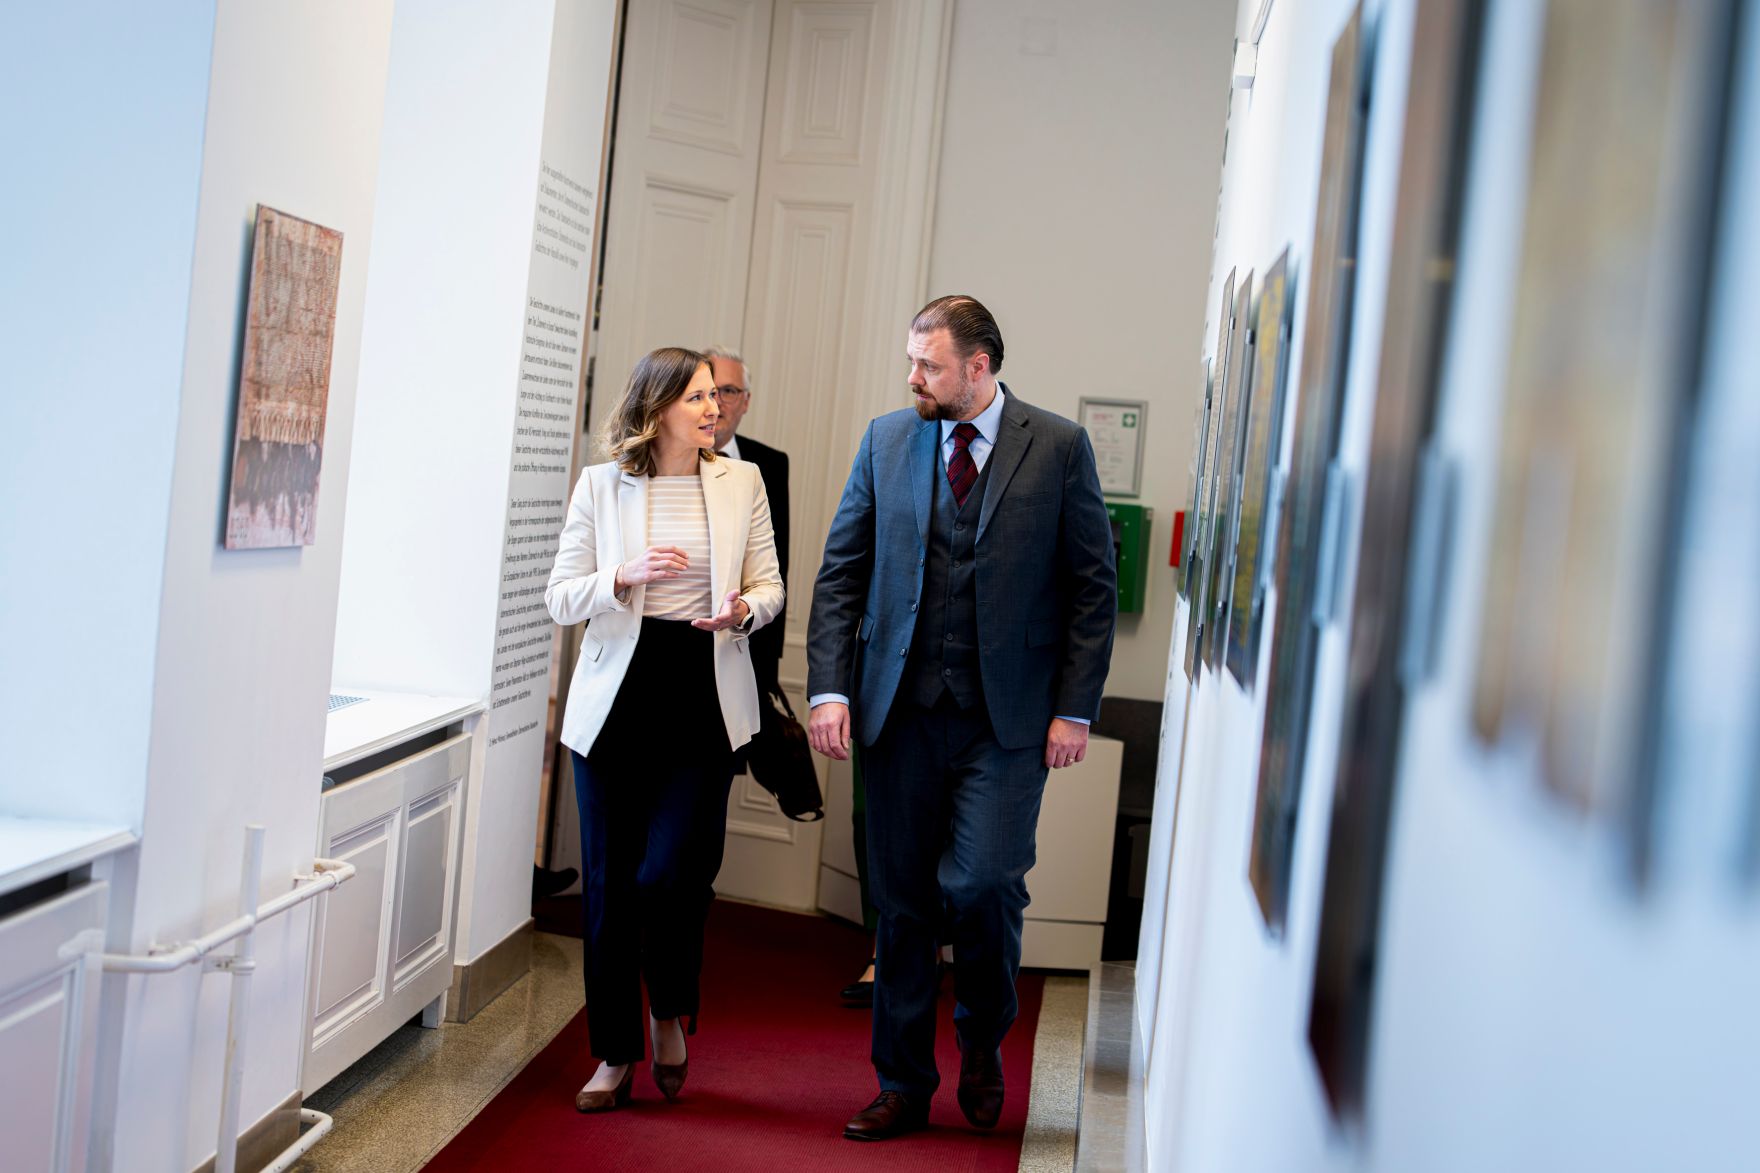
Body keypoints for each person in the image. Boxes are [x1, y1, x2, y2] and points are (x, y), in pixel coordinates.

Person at [807, 295, 1117, 1141]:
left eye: (929, 364)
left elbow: (1094, 589)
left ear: (979, 368)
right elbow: (842, 571)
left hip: (1007, 723)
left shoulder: (1055, 447)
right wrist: (830, 688)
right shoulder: (887, 440)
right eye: (912, 361)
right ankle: (902, 1081)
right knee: (903, 906)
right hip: (899, 713)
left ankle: (981, 1039)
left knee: (983, 887)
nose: (913, 378)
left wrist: (1074, 708)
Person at [546, 347, 784, 1112]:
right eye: (697, 398)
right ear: (657, 410)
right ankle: (615, 1053)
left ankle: (668, 1004)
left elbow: (770, 586)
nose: (714, 409)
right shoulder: (601, 484)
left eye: (717, 396)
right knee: (611, 886)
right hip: (618, 696)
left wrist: (743, 610)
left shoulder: (741, 480)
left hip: (702, 694)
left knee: (673, 873)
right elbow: (560, 597)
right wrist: (622, 575)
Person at [701, 346, 790, 699]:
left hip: (746, 648)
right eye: (709, 390)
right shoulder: (669, 462)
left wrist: (769, 666)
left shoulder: (770, 464)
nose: (718, 401)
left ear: (746, 401)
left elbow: (776, 564)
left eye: (729, 391)